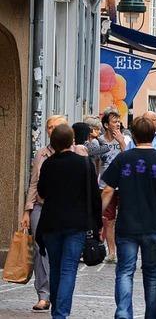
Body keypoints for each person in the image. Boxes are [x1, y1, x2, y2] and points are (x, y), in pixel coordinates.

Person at [101, 116, 156, 319]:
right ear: (154, 136)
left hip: (127, 225)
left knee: (125, 271)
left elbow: (108, 191)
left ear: (133, 136)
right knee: (152, 275)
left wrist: (96, 216)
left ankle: (123, 313)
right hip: (153, 224)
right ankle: (152, 315)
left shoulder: (123, 158)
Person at [21, 115, 87, 313]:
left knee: (64, 264)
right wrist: (27, 210)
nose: (51, 131)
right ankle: (44, 295)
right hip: (43, 208)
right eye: (49, 127)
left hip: (70, 212)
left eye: (55, 127)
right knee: (42, 254)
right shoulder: (42, 154)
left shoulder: (80, 152)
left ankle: (59, 303)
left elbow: (88, 184)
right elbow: (35, 185)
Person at [36, 124, 101, 319]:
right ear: (72, 141)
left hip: (51, 224)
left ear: (53, 143)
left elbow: (42, 192)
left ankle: (58, 311)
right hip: (76, 225)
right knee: (68, 269)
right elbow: (94, 197)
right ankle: (60, 314)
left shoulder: (48, 164)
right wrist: (97, 225)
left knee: (55, 268)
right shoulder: (84, 164)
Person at [98, 109, 131, 264]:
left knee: (123, 220)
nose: (117, 124)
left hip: (123, 185)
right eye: (114, 121)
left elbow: (130, 158)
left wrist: (121, 142)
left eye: (118, 121)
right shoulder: (99, 141)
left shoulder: (127, 139)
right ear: (106, 125)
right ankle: (111, 252)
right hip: (105, 185)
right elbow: (96, 162)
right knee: (108, 220)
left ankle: (124, 250)